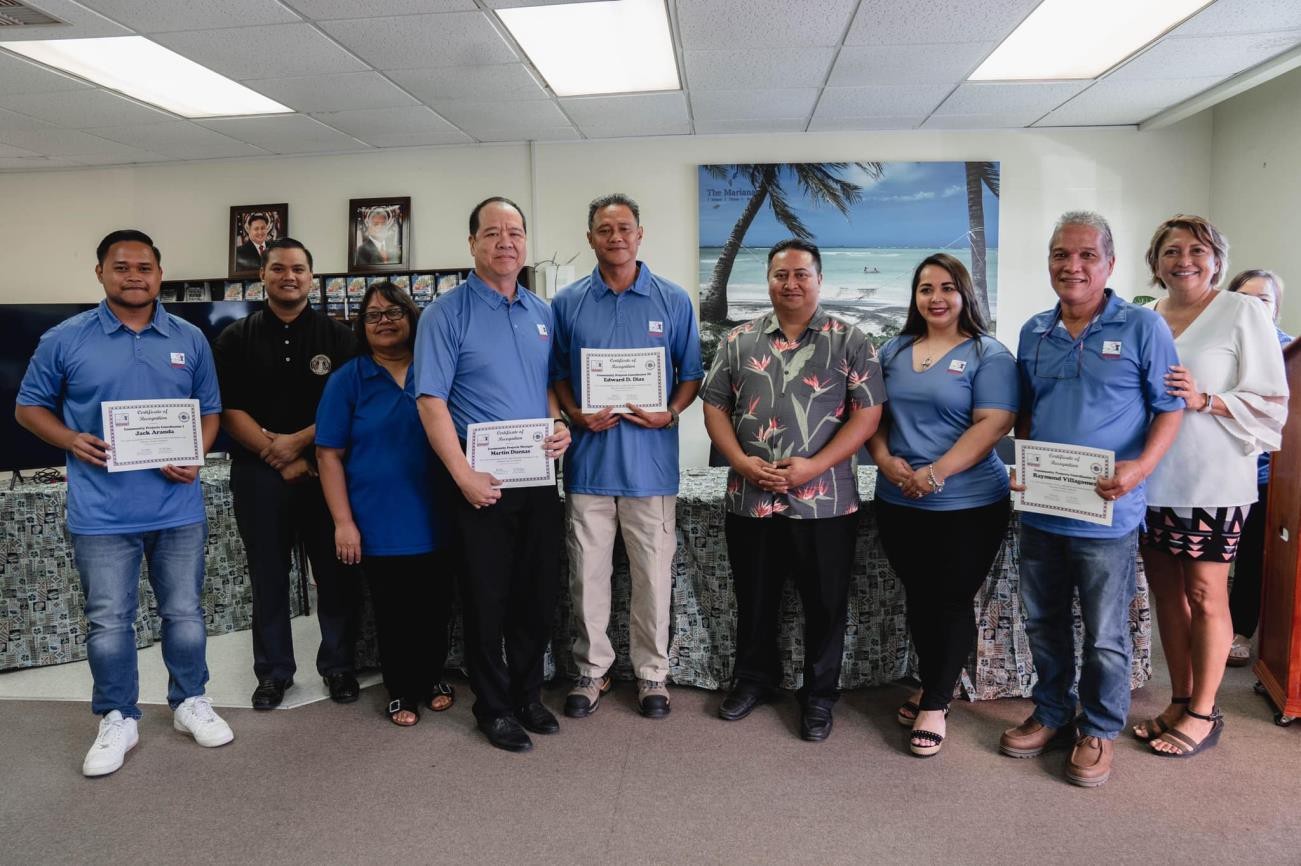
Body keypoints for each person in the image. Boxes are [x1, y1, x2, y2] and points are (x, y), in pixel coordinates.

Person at [15, 229, 233, 777]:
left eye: (144, 267)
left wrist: (198, 451)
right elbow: (28, 408)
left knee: (184, 612)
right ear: (100, 273)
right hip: (102, 512)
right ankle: (117, 716)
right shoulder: (64, 338)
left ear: (160, 274)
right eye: (121, 267)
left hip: (177, 507)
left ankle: (190, 701)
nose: (134, 276)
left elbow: (209, 410)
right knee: (109, 622)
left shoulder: (189, 337)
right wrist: (68, 439)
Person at [1001, 211, 1183, 787]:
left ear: (1109, 264)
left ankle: (1099, 729)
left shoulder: (1143, 327)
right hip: (1043, 510)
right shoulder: (1034, 330)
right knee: (1043, 621)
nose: (1071, 266)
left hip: (1109, 515)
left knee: (1105, 633)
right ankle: (1053, 711)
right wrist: (1022, 462)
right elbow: (1025, 412)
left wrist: (1141, 468)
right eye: (1061, 254)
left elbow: (1169, 409)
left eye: (1085, 255)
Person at [701, 238, 884, 742]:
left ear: (819, 280)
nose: (791, 283)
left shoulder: (851, 340)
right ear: (769, 281)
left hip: (825, 500)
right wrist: (739, 461)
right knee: (755, 598)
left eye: (801, 274)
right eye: (781, 275)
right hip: (750, 496)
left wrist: (815, 467)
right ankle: (754, 680)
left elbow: (869, 413)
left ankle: (819, 696)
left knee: (825, 606)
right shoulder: (738, 341)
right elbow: (713, 405)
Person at [414, 196, 571, 753]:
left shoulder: (541, 312)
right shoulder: (445, 313)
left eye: (515, 232)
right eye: (492, 233)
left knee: (535, 595)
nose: (506, 241)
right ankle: (494, 705)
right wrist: (461, 474)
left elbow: (551, 386)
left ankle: (529, 695)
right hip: (477, 483)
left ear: (526, 242)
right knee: (486, 599)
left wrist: (560, 424)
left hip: (536, 480)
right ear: (473, 244)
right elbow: (430, 402)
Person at [1132, 218, 1288, 757]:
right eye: (1170, 251)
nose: (1184, 260)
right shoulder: (1146, 317)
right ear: (1155, 263)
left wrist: (1206, 400)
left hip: (1213, 482)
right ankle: (1178, 699)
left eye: (1196, 250)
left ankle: (1204, 710)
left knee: (1205, 592)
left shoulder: (1243, 312)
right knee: (1166, 597)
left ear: (1217, 259)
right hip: (1151, 479)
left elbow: (1274, 401)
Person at [550, 193, 703, 720]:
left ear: (641, 234)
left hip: (651, 469)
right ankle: (592, 671)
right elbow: (558, 377)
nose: (615, 237)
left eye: (624, 228)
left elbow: (691, 375)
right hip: (588, 468)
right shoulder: (567, 302)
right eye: (604, 229)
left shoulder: (673, 299)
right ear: (590, 237)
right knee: (586, 577)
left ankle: (652, 674)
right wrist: (573, 413)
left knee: (652, 579)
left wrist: (671, 413)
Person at [867, 253, 1018, 757]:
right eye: (926, 288)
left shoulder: (988, 354)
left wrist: (936, 473)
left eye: (948, 288)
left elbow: (993, 424)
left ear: (965, 295)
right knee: (918, 596)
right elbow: (872, 415)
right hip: (898, 499)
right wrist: (884, 459)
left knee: (951, 599)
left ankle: (935, 701)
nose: (936, 297)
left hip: (967, 504)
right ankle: (936, 681)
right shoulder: (892, 350)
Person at [214, 237, 361, 710]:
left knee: (335, 576)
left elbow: (351, 407)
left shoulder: (340, 338)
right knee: (269, 577)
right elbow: (228, 409)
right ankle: (274, 673)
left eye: (298, 269)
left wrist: (298, 444)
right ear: (263, 276)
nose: (288, 276)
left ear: (311, 277)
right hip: (258, 477)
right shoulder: (236, 337)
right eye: (278, 268)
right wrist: (277, 453)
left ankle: (338, 667)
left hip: (326, 474)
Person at [316, 282, 455, 727]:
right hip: (378, 520)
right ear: (361, 326)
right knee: (393, 611)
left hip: (439, 514)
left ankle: (433, 678)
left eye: (394, 312)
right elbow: (328, 454)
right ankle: (401, 690)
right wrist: (343, 522)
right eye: (373, 315)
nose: (384, 321)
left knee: (436, 606)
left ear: (413, 318)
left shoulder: (437, 371)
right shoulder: (348, 379)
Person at [1224, 270, 1291, 666]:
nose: (1253, 305)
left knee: (1251, 555)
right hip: (1223, 466)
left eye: (1263, 298)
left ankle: (1241, 630)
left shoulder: (1290, 353)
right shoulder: (1222, 345)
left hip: (1272, 476)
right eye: (1244, 297)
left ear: (1276, 307)